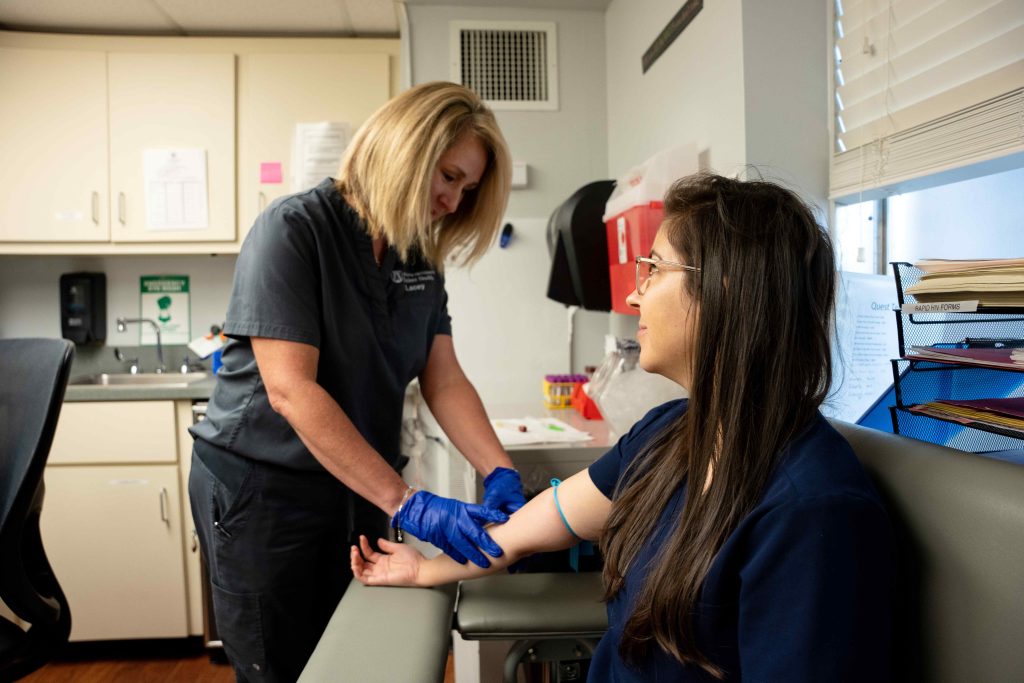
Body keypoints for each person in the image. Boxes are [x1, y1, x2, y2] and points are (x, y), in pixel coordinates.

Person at [351, 172, 895, 681]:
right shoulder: (671, 431)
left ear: (726, 289)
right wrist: (424, 571)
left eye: (654, 269)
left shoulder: (812, 512)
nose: (634, 294)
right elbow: (531, 530)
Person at [188, 81, 528, 682]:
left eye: (467, 189)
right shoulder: (293, 231)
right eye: (448, 177)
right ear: (404, 150)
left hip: (356, 483)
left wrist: (498, 469)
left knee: (355, 652)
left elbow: (443, 379)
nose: (454, 202)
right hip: (264, 489)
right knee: (281, 666)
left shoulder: (416, 255)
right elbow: (292, 390)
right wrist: (406, 501)